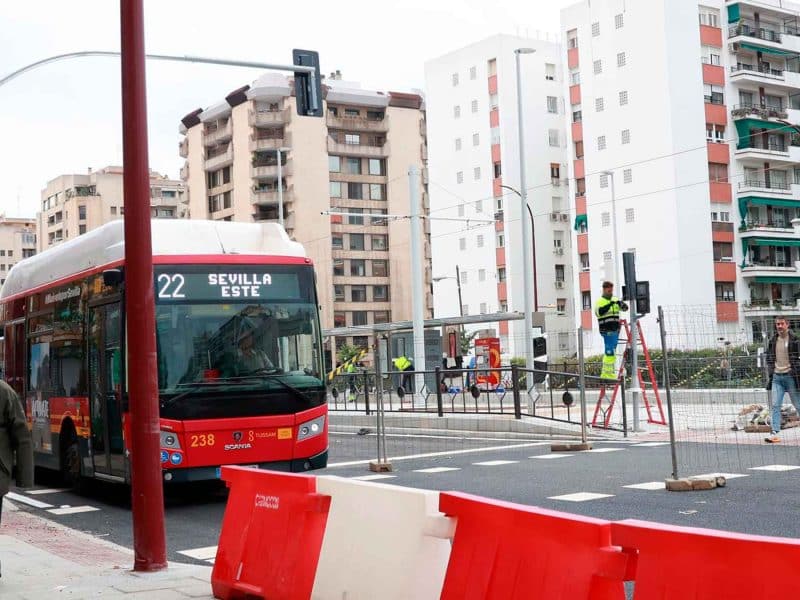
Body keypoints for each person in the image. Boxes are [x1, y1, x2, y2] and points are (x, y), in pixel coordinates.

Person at [1, 379, 34, 565]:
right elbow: (22, 436)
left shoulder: (4, 392)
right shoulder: (5, 391)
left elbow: (22, 438)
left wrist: (25, 477)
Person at [764, 316, 800, 443]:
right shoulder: (773, 340)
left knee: (798, 405)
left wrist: (796, 371)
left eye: (781, 324)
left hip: (791, 376)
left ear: (787, 324)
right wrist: (771, 370)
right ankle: (774, 432)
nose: (779, 326)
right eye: (777, 324)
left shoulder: (795, 340)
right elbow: (769, 356)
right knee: (775, 405)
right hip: (777, 377)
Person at [594, 281, 629, 380]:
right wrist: (610, 304)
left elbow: (625, 308)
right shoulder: (600, 301)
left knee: (610, 352)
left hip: (615, 330)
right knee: (610, 353)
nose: (610, 292)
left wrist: (620, 303)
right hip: (606, 330)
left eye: (611, 290)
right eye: (609, 290)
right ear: (604, 289)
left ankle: (607, 374)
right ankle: (607, 375)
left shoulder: (615, 300)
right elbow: (598, 312)